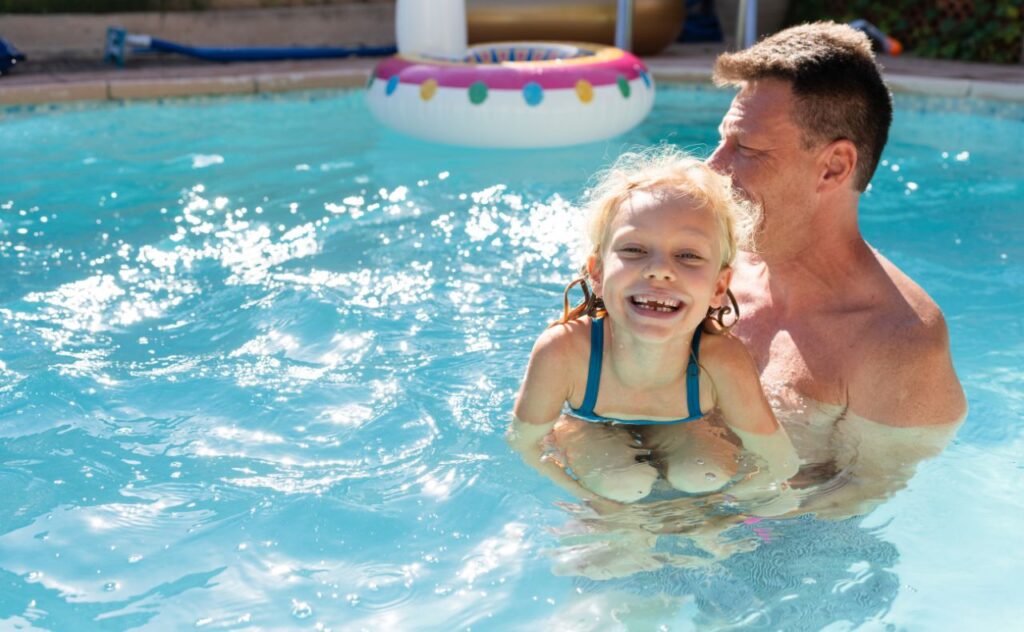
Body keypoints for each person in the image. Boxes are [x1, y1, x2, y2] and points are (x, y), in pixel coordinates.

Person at [706, 22, 968, 516]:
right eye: (722, 141)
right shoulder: (703, 269)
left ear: (833, 167)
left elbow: (863, 496)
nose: (712, 167)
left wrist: (700, 528)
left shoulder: (899, 344)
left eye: (745, 148)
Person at [509, 148, 799, 506]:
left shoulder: (722, 362)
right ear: (597, 273)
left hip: (688, 427)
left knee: (704, 475)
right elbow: (525, 443)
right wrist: (596, 505)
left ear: (719, 287)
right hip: (591, 426)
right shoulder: (564, 352)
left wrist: (718, 512)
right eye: (634, 250)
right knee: (619, 485)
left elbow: (778, 459)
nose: (660, 269)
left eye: (688, 255)